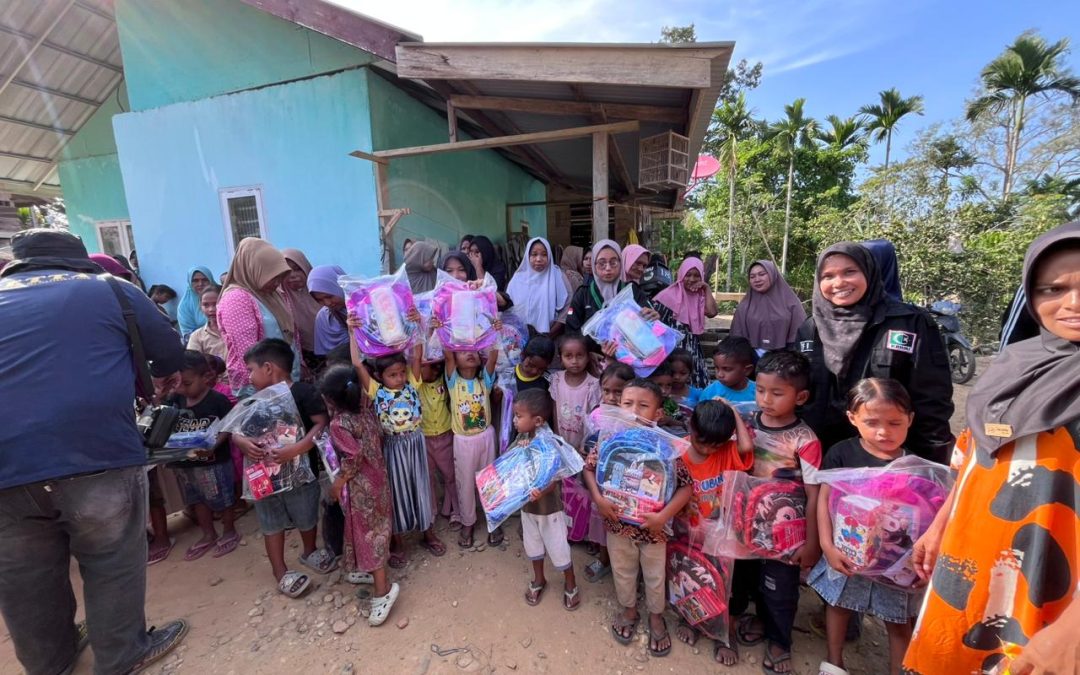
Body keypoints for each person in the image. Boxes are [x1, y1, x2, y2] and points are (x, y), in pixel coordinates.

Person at [0, 229, 187, 675]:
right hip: (97, 452)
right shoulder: (110, 288)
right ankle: (121, 655)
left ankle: (52, 662)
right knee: (111, 559)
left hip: (6, 468)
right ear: (80, 259)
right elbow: (168, 353)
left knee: (25, 578)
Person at [903, 220, 1080, 675]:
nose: (1072, 303)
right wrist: (941, 525)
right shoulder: (1014, 365)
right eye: (1053, 288)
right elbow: (974, 463)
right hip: (971, 560)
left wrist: (1070, 633)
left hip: (1052, 594)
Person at [796, 242, 954, 462]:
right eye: (828, 276)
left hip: (889, 460)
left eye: (850, 272)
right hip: (821, 458)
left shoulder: (909, 323)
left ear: (869, 272)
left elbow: (932, 401)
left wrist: (932, 462)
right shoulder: (810, 329)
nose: (839, 282)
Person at [810, 378, 920, 675]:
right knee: (839, 605)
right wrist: (827, 546)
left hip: (893, 562)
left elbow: (922, 517)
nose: (883, 431)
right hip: (846, 552)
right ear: (852, 418)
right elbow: (825, 499)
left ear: (910, 419)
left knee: (898, 619)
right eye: (871, 421)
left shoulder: (913, 466)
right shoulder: (841, 454)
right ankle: (834, 662)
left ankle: (900, 669)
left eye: (895, 422)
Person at [584, 378, 693, 657]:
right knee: (622, 569)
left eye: (643, 406)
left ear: (657, 413)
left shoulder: (666, 445)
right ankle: (629, 609)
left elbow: (686, 486)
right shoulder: (610, 438)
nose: (634, 410)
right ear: (619, 407)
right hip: (617, 523)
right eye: (627, 403)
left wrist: (664, 517)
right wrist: (598, 499)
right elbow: (589, 469)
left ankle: (656, 616)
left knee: (655, 575)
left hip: (654, 528)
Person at [735, 349, 823, 675]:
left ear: (800, 397)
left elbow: (815, 494)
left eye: (776, 393)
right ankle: (759, 618)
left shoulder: (805, 440)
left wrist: (811, 543)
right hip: (746, 524)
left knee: (780, 588)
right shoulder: (748, 424)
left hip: (785, 532)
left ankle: (780, 640)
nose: (765, 399)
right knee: (750, 579)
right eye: (760, 390)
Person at [238, 339, 336, 598]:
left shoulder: (303, 392)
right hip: (264, 475)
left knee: (306, 514)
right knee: (271, 523)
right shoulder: (251, 400)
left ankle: (309, 551)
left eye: (251, 369)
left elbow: (321, 422)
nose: (248, 377)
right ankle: (279, 571)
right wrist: (243, 443)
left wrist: (298, 448)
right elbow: (233, 430)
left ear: (268, 368)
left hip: (302, 472)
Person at [347, 331, 444, 565]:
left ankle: (427, 533)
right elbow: (357, 362)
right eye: (393, 375)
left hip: (415, 443)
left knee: (421, 486)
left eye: (402, 372)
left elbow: (417, 354)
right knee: (397, 491)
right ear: (380, 376)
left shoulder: (412, 383)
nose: (400, 378)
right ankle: (398, 541)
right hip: (393, 446)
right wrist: (352, 332)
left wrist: (414, 325)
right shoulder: (376, 391)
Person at [673, 400, 754, 666]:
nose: (708, 449)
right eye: (701, 441)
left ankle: (725, 632)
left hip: (724, 534)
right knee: (691, 577)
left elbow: (745, 448)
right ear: (691, 428)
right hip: (689, 533)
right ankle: (693, 620)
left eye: (715, 445)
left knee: (728, 585)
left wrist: (731, 410)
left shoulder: (727, 449)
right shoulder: (678, 452)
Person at [318, 364, 400, 626]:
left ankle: (383, 590)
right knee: (378, 526)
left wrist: (338, 483)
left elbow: (352, 457)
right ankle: (367, 569)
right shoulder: (367, 411)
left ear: (331, 400)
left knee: (368, 534)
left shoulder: (339, 424)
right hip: (379, 480)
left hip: (361, 486)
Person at [166, 351, 240, 560]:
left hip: (214, 462)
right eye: (177, 383)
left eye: (187, 383)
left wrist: (215, 445)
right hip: (186, 463)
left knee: (224, 497)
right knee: (196, 498)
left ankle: (229, 530)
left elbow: (229, 426)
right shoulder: (176, 400)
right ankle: (208, 534)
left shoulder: (218, 400)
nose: (181, 388)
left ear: (206, 378)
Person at [567, 362, 635, 584]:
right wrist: (584, 449)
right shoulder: (596, 414)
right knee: (600, 519)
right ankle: (604, 558)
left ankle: (618, 563)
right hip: (598, 478)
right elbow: (586, 441)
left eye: (619, 391)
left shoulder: (634, 419)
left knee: (620, 522)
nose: (612, 397)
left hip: (623, 482)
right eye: (607, 391)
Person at [513, 389, 581, 611]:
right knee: (532, 544)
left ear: (538, 420)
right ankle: (539, 579)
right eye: (515, 416)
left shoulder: (549, 444)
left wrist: (542, 492)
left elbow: (555, 479)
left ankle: (570, 582)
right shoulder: (521, 439)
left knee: (558, 546)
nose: (514, 420)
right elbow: (512, 467)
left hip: (549, 508)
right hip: (528, 507)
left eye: (519, 416)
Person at [217, 238, 299, 397]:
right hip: (260, 386)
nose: (277, 282)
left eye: (280, 277)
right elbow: (248, 352)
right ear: (254, 269)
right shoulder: (236, 299)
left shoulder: (273, 294)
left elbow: (290, 333)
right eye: (272, 276)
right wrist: (272, 385)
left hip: (283, 379)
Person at [444, 342, 501, 549]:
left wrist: (494, 333)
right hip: (463, 441)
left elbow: (493, 356)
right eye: (463, 351)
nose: (469, 353)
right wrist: (442, 328)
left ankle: (494, 521)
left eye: (474, 351)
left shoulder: (484, 380)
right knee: (465, 483)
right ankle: (468, 522)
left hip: (486, 437)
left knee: (490, 482)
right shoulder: (453, 382)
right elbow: (448, 356)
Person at [563, 239, 658, 338]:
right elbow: (572, 332)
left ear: (620, 263)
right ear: (594, 265)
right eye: (601, 263)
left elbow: (648, 325)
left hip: (625, 352)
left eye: (613, 262)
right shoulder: (583, 294)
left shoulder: (633, 291)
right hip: (591, 352)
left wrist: (652, 317)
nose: (608, 268)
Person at [654, 257, 719, 387]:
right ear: (681, 274)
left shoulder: (699, 296)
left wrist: (706, 288)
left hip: (692, 352)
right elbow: (655, 323)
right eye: (688, 275)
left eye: (696, 275)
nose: (692, 279)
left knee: (696, 387)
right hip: (671, 352)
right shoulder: (668, 295)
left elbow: (712, 312)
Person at [730, 260, 807, 353]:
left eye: (762, 274)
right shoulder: (744, 305)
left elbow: (800, 334)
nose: (757, 279)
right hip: (750, 359)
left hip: (785, 358)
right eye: (752, 276)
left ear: (772, 275)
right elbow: (737, 335)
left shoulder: (791, 302)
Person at [418, 357, 459, 529]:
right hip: (424, 439)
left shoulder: (446, 382)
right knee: (428, 479)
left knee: (451, 476)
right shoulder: (416, 385)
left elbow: (450, 362)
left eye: (421, 366)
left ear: (435, 369)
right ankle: (432, 511)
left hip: (445, 438)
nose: (414, 368)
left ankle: (457, 511)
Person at [506, 237, 570, 335]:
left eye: (544, 255)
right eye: (534, 254)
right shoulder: (517, 279)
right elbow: (508, 308)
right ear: (527, 256)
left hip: (549, 336)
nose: (539, 259)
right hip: (519, 336)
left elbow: (568, 308)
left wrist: (550, 335)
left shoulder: (557, 276)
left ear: (549, 256)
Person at [549, 334, 600, 450]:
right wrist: (556, 435)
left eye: (580, 356)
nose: (574, 361)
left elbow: (595, 418)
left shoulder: (593, 385)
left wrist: (586, 445)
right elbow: (554, 408)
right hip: (561, 441)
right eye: (568, 356)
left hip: (584, 444)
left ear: (588, 357)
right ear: (560, 358)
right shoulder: (556, 379)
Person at [281, 249, 324, 365]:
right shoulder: (280, 299)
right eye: (287, 271)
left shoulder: (322, 293)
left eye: (298, 269)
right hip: (299, 359)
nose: (293, 275)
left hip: (332, 352)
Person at [698, 336, 757, 404]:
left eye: (727, 369)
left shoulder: (758, 392)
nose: (720, 374)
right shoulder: (710, 393)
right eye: (716, 368)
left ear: (747, 370)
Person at [307, 264, 350, 358]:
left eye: (329, 296)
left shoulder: (364, 307)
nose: (327, 303)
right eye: (319, 300)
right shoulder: (323, 317)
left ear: (340, 286)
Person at [187, 287, 227, 364]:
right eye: (205, 305)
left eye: (216, 304)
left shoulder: (236, 330)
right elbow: (194, 364)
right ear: (200, 306)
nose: (211, 309)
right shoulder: (197, 336)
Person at [177, 266, 217, 340]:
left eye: (205, 280)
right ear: (190, 282)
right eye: (195, 281)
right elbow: (187, 333)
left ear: (210, 279)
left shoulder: (222, 296)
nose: (200, 284)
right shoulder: (185, 305)